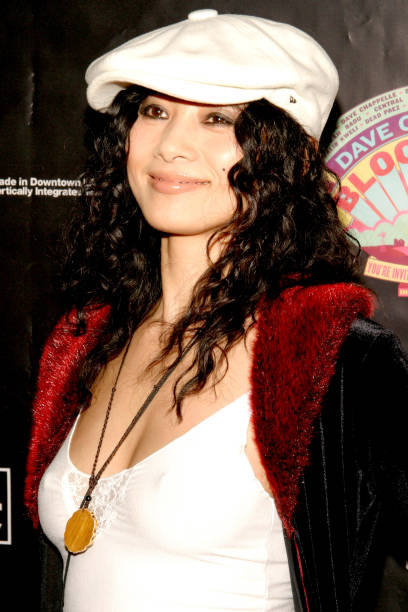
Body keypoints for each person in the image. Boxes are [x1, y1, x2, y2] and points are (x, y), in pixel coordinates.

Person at [25, 9, 408, 612]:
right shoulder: (87, 338)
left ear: (291, 154)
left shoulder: (333, 362)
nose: (171, 146)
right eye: (155, 111)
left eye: (217, 119)